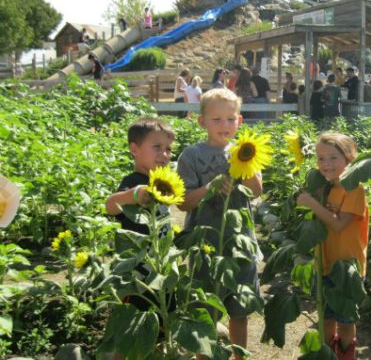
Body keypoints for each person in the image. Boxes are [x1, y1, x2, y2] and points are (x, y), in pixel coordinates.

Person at [177, 88, 263, 360]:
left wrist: (243, 162)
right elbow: (183, 202)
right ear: (201, 122)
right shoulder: (191, 156)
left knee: (240, 307)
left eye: (230, 119)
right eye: (216, 120)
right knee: (204, 309)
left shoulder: (246, 151)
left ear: (240, 121)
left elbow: (256, 189)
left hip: (240, 241)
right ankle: (205, 355)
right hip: (205, 244)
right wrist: (210, 188)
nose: (224, 125)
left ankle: (240, 356)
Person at [104, 118, 176, 356]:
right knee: (129, 331)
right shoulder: (133, 183)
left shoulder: (164, 185)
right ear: (134, 150)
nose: (164, 155)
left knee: (160, 326)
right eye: (157, 148)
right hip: (137, 277)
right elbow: (110, 205)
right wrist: (134, 195)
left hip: (161, 273)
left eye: (168, 149)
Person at [296, 133, 369, 360]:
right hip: (324, 262)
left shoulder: (354, 189)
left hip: (347, 268)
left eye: (333, 158)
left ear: (349, 158)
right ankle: (327, 355)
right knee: (326, 318)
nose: (326, 164)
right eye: (321, 158)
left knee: (346, 320)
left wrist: (311, 203)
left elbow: (338, 225)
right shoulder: (324, 187)